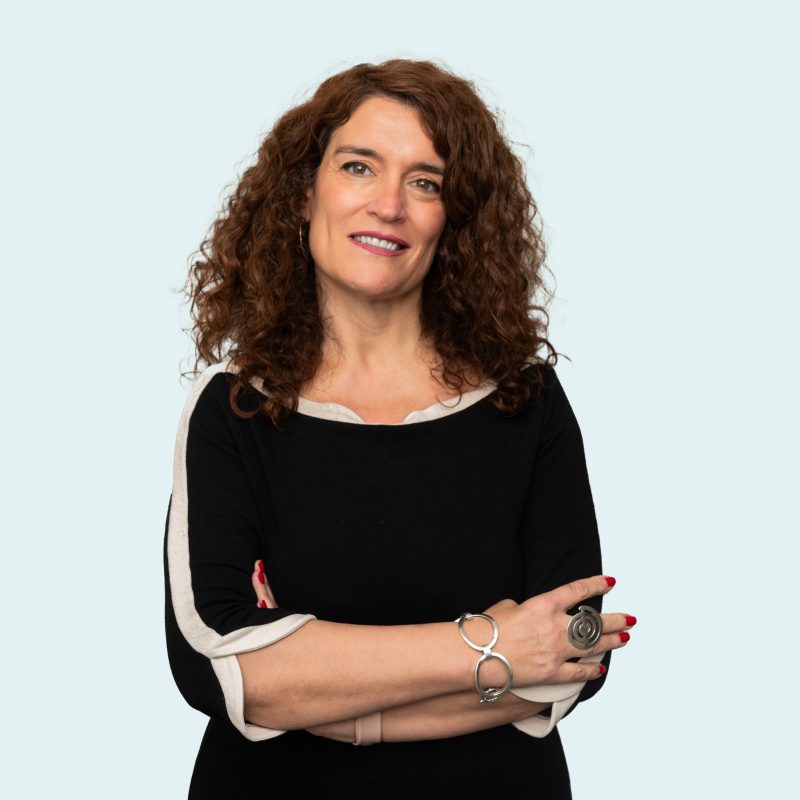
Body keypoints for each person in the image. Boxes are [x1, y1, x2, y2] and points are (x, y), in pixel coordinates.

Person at [163, 58, 636, 797]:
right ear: (302, 194)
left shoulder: (526, 400)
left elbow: (575, 654)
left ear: (456, 217)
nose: (389, 204)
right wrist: (493, 647)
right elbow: (221, 669)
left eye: (426, 182)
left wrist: (330, 690)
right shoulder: (232, 411)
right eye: (359, 167)